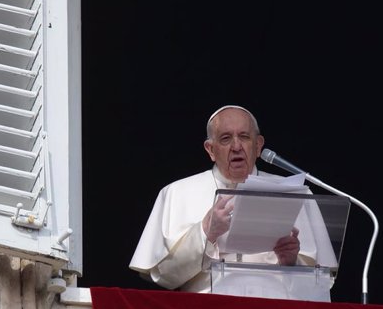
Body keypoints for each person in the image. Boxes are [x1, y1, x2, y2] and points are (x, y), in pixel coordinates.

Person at [129, 105, 309, 295]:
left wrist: (291, 263)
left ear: (258, 145)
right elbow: (163, 277)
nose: (237, 147)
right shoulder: (176, 193)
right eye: (226, 138)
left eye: (245, 137)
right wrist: (205, 233)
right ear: (211, 149)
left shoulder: (292, 192)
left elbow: (320, 285)